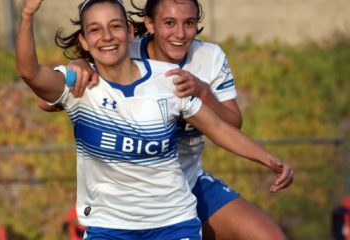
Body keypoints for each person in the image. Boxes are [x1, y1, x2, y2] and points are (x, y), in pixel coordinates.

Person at [16, 0, 294, 239]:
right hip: (111, 217)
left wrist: (268, 159)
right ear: (147, 25)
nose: (180, 33)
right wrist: (77, 64)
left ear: (127, 30)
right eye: (169, 22)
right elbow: (39, 87)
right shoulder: (101, 67)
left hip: (177, 197)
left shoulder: (178, 74)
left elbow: (223, 127)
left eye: (189, 23)